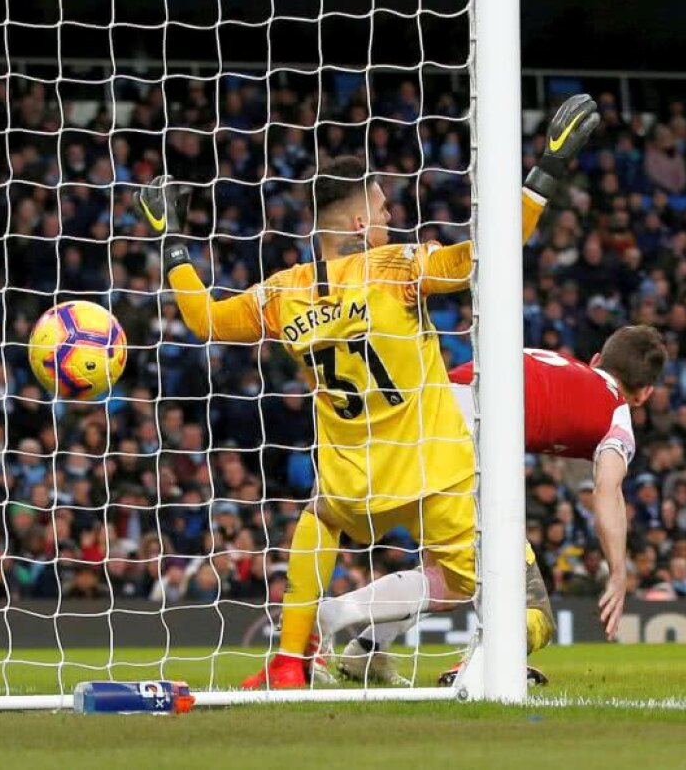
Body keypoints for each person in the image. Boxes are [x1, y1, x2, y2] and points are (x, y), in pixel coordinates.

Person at [138, 95, 599, 688]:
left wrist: (172, 240)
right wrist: (545, 176)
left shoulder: (283, 294)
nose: (389, 217)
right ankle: (478, 666)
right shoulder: (398, 269)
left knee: (320, 520)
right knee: (530, 605)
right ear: (359, 224)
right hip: (436, 476)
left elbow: (204, 319)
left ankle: (289, 661)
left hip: (353, 484)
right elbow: (487, 253)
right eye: (382, 208)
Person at [325, 325, 667, 685]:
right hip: (462, 443)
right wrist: (617, 573)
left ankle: (366, 650)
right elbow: (608, 491)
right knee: (535, 612)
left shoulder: (557, 363)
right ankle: (476, 663)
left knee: (447, 578)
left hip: (416, 419)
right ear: (645, 393)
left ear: (596, 360)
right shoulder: (617, 412)